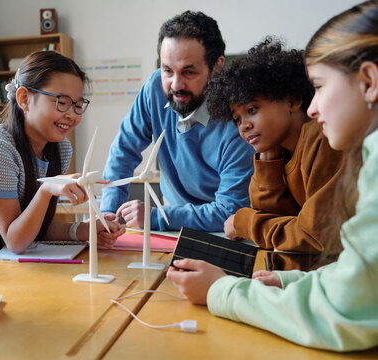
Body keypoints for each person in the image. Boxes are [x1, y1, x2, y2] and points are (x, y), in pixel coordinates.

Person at [167, 0, 378, 351]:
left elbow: (319, 253)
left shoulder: (326, 143)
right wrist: (265, 157)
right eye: (237, 119)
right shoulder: (285, 151)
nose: (314, 107)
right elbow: (356, 275)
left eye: (321, 86)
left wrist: (223, 289)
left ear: (369, 81)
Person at [0, 51, 125, 261]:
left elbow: (32, 225)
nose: (71, 114)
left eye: (78, 105)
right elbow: (15, 240)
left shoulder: (60, 149)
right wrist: (46, 189)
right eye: (62, 101)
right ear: (25, 99)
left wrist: (82, 230)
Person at [100, 10, 254, 232]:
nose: (175, 85)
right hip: (174, 222)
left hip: (225, 230)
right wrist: (108, 214)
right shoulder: (154, 88)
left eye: (188, 72)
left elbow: (229, 211)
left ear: (217, 67)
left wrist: (157, 216)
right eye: (167, 71)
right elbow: (123, 152)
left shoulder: (240, 120)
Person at [206, 38, 344, 253]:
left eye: (252, 110)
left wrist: (244, 223)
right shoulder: (279, 150)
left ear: (292, 101)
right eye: (237, 119)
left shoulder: (322, 138)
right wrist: (268, 163)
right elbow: (278, 224)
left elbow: (314, 237)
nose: (244, 126)